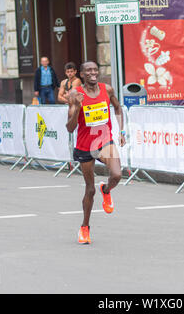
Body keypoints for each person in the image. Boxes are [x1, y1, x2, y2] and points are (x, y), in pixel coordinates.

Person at [66, 61, 126, 245]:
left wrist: (121, 131)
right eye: (88, 70)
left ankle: (106, 189)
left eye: (95, 70)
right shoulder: (75, 94)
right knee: (90, 190)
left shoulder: (107, 89)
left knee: (116, 174)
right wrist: (76, 108)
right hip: (85, 144)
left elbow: (117, 107)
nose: (93, 73)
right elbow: (70, 127)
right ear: (82, 74)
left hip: (104, 140)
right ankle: (85, 227)